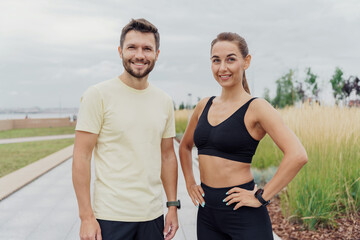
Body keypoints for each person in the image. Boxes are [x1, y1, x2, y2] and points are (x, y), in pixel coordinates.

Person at [179, 32, 308, 240]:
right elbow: (184, 146)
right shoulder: (203, 105)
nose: (223, 68)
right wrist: (189, 183)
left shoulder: (257, 108)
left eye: (231, 59)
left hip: (243, 215)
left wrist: (262, 197)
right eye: (216, 60)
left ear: (246, 62)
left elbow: (298, 155)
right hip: (207, 214)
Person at [72, 18, 179, 240]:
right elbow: (81, 156)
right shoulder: (97, 95)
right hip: (110, 217)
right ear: (120, 51)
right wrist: (86, 217)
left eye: (147, 48)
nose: (140, 55)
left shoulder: (164, 101)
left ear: (157, 54)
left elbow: (168, 155)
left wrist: (171, 206)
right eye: (132, 47)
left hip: (152, 216)